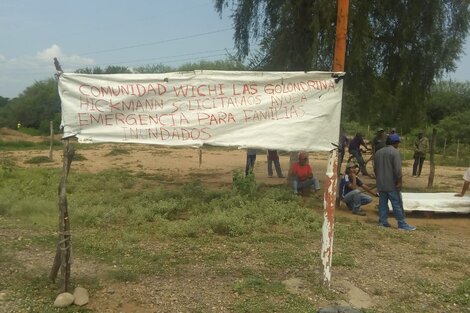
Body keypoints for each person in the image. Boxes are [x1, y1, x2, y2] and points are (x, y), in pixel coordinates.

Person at [374, 134, 416, 230]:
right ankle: (402, 224)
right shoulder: (395, 152)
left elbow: (375, 169)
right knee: (396, 204)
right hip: (391, 183)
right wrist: (399, 182)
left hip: (381, 183)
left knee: (382, 204)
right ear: (395, 143)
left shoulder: (378, 152)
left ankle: (382, 222)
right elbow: (397, 170)